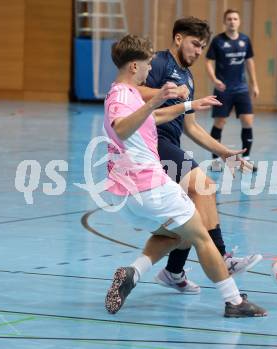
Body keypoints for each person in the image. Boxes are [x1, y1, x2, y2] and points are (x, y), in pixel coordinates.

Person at [104, 34, 267, 318]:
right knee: (201, 236)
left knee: (176, 236)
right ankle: (234, 302)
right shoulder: (122, 97)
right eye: (146, 65)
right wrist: (153, 101)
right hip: (150, 186)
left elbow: (153, 118)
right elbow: (120, 128)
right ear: (133, 67)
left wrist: (191, 105)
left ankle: (133, 272)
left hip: (130, 196)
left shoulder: (125, 91)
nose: (148, 70)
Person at [136, 17, 262, 295]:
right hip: (151, 144)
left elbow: (191, 127)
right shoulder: (158, 63)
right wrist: (164, 91)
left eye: (203, 47)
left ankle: (173, 271)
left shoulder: (188, 78)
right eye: (195, 44)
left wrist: (224, 151)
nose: (198, 51)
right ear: (178, 39)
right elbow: (132, 91)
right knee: (205, 186)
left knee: (191, 211)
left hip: (170, 143)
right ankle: (222, 258)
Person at [205, 9, 259, 171]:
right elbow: (208, 61)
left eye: (235, 18)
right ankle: (215, 161)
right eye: (229, 19)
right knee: (220, 122)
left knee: (248, 121)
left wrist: (254, 84)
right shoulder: (218, 41)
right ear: (225, 22)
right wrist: (215, 80)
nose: (232, 21)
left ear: (239, 21)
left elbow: (249, 62)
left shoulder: (245, 40)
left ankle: (246, 159)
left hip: (241, 88)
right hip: (224, 89)